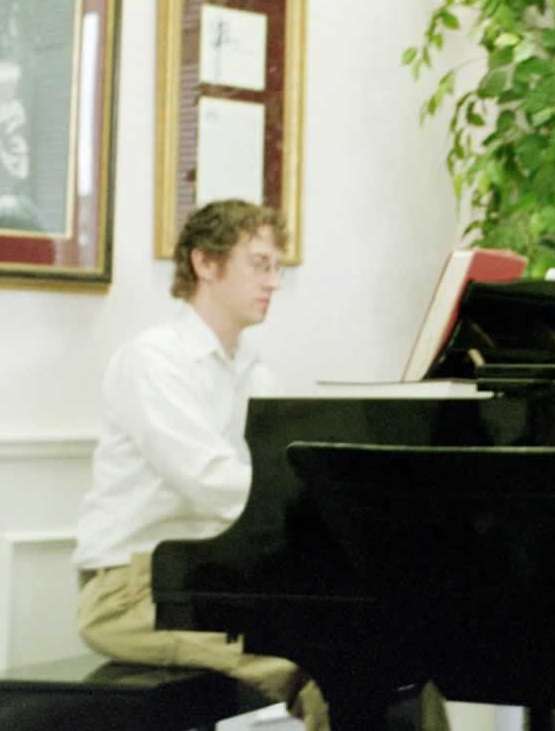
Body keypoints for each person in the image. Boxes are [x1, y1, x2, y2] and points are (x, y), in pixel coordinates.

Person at [72, 199, 449, 731]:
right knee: (330, 662)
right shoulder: (153, 360)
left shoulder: (255, 371)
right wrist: (324, 510)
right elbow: (214, 485)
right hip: (132, 591)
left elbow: (266, 487)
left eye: (277, 266)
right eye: (259, 264)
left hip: (212, 579)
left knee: (402, 653)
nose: (273, 281)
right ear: (205, 263)